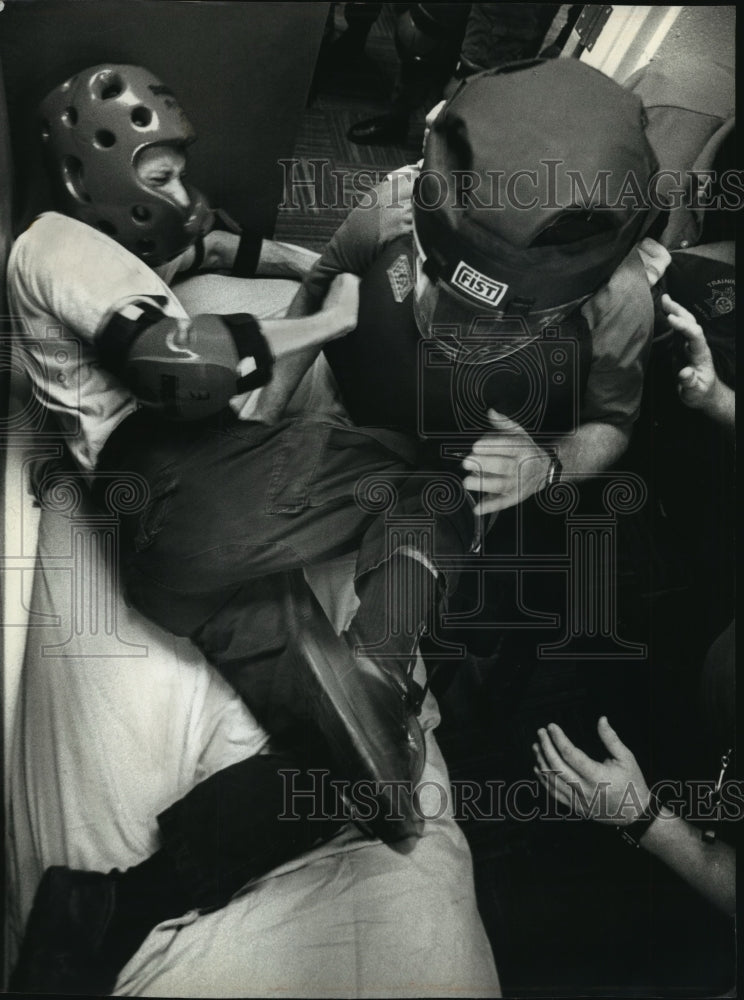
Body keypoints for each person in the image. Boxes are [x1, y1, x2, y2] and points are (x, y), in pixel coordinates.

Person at [8, 62, 476, 994]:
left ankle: (113, 908)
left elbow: (221, 246)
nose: (180, 193)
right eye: (160, 174)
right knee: (435, 481)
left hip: (170, 558)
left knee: (349, 765)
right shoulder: (58, 243)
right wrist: (332, 319)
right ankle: (383, 662)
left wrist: (316, 263)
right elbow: (170, 362)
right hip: (191, 475)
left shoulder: (103, 247)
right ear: (82, 170)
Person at [285, 59, 670, 524]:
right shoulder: (398, 199)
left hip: (465, 479)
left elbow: (613, 423)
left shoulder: (623, 299)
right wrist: (261, 418)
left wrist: (549, 467)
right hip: (343, 412)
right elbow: (315, 290)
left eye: (500, 318)